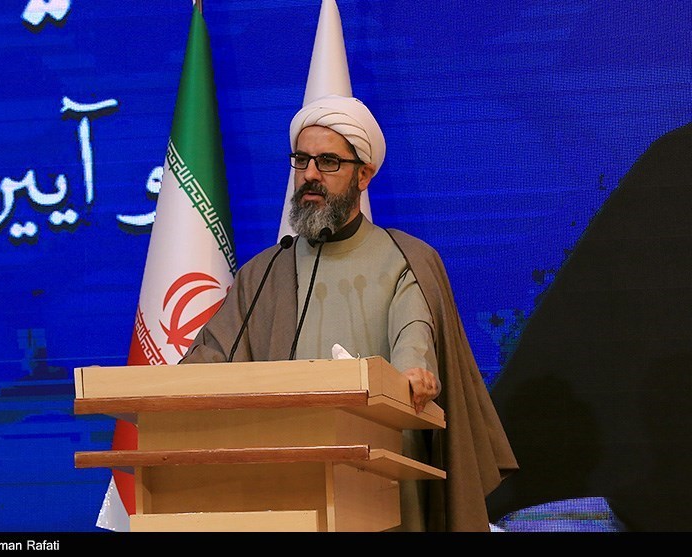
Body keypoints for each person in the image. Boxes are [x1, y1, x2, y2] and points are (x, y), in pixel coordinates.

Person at [180, 94, 518, 531]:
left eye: (328, 162)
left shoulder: (404, 258)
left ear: (364, 174)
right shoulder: (264, 273)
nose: (310, 175)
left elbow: (414, 332)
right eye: (301, 160)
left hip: (380, 479)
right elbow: (208, 361)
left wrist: (413, 372)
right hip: (284, 482)